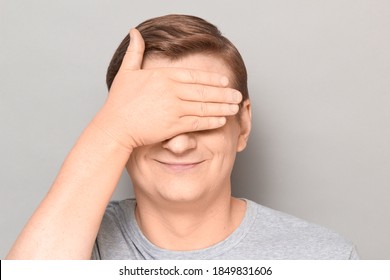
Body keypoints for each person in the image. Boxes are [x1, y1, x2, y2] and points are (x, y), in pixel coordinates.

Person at [6, 14, 358, 260]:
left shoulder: (324, 259)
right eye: (154, 120)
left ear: (243, 125)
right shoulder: (75, 245)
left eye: (203, 117)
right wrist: (110, 131)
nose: (179, 144)